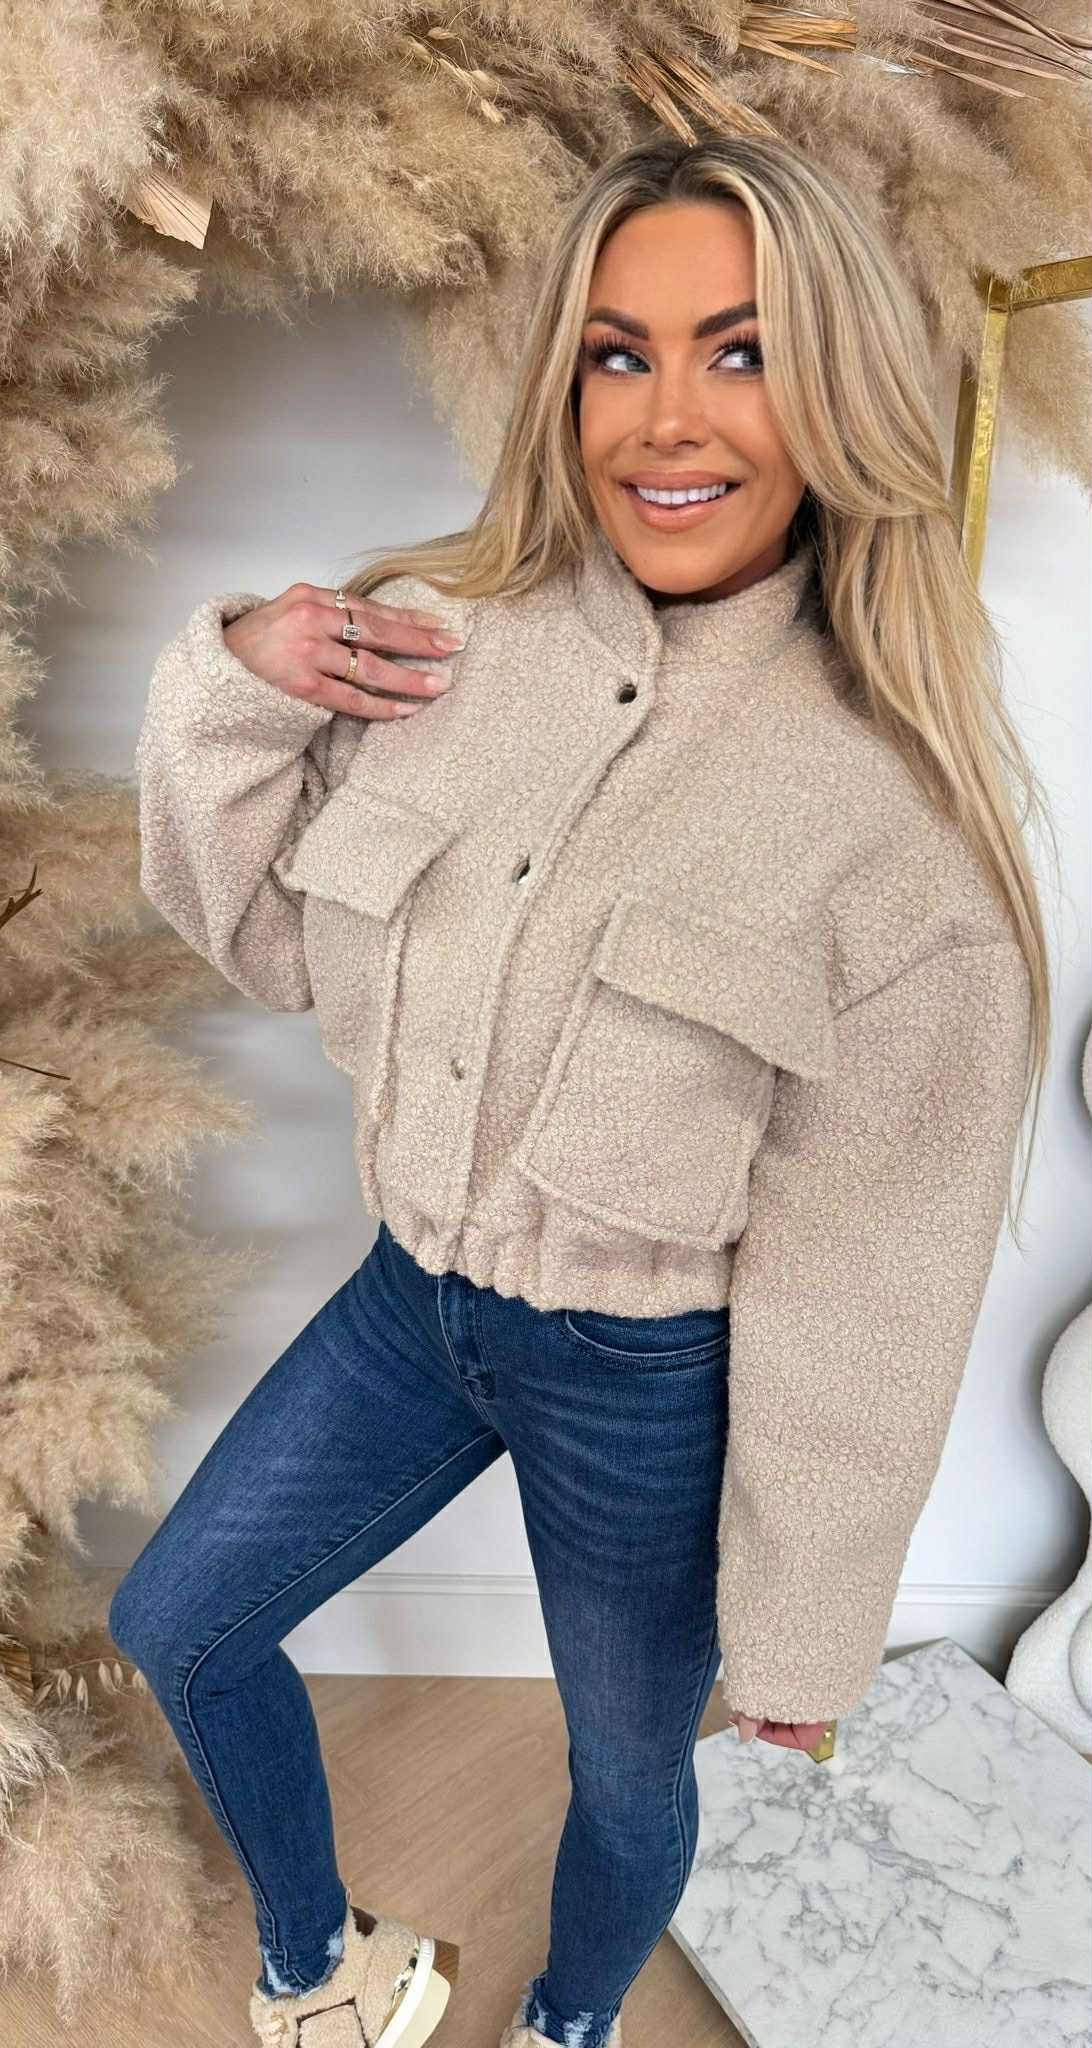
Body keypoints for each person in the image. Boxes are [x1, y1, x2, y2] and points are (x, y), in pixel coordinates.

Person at [108, 132, 1050, 2048]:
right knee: (179, 1621)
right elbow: (265, 937)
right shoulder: (449, 649)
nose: (665, 419)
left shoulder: (898, 841)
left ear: (839, 389)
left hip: (648, 1379)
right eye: (620, 353)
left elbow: (871, 1288)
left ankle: (571, 2023)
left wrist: (803, 1635)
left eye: (740, 351)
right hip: (414, 1304)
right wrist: (238, 689)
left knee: (629, 1775)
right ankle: (321, 1965)